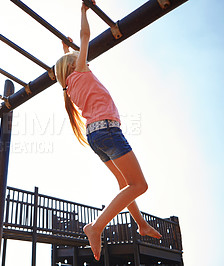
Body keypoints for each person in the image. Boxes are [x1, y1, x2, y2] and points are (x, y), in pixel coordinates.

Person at [55, 2, 162, 261]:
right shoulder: (80, 70)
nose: (85, 61)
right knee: (140, 185)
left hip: (96, 136)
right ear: (75, 65)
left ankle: (141, 224)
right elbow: (85, 37)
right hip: (108, 131)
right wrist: (83, 12)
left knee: (126, 184)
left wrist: (65, 50)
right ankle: (96, 226)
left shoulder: (69, 87)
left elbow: (66, 62)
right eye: (78, 59)